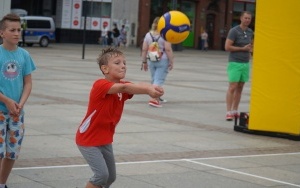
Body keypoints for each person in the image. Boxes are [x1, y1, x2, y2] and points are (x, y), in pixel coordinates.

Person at [75, 47, 164, 188]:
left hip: (104, 139)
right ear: (105, 69)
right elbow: (125, 88)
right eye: (117, 63)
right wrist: (148, 90)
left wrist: (152, 88)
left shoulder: (122, 85)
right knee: (101, 175)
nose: (123, 65)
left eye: (124, 63)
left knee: (110, 177)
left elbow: (132, 86)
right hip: (88, 140)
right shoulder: (100, 85)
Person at [0, 13, 36, 188]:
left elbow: (28, 83)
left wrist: (20, 104)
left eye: (18, 30)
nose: (16, 33)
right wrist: (6, 100)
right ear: (2, 33)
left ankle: (2, 183)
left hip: (16, 113)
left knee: (11, 153)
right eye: (12, 30)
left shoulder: (24, 55)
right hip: (0, 111)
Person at [224, 11, 253, 121]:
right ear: (241, 18)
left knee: (240, 87)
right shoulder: (234, 31)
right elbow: (227, 47)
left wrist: (249, 51)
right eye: (245, 18)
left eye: (249, 18)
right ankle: (228, 111)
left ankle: (235, 110)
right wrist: (242, 49)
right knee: (233, 87)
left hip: (245, 63)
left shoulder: (250, 32)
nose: (247, 20)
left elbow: (249, 46)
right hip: (235, 62)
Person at [141, 17, 174, 107]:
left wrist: (144, 62)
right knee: (159, 79)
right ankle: (154, 99)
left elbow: (144, 49)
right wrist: (171, 61)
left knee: (154, 78)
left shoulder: (148, 35)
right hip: (162, 60)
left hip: (151, 59)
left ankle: (157, 96)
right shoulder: (165, 35)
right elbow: (168, 49)